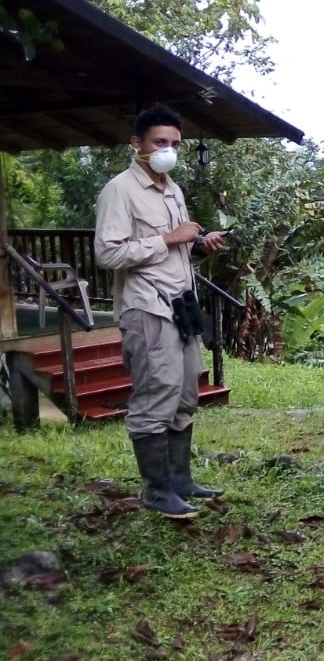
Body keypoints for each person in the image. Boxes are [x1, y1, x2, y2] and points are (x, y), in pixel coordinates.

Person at [94, 104, 230, 519]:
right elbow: (107, 253)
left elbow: (179, 247)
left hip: (181, 304)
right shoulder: (120, 190)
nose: (167, 150)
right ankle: (156, 490)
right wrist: (170, 238)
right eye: (159, 142)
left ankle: (180, 479)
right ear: (137, 144)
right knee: (157, 394)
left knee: (186, 392)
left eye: (174, 144)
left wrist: (198, 245)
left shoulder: (173, 189)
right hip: (147, 307)